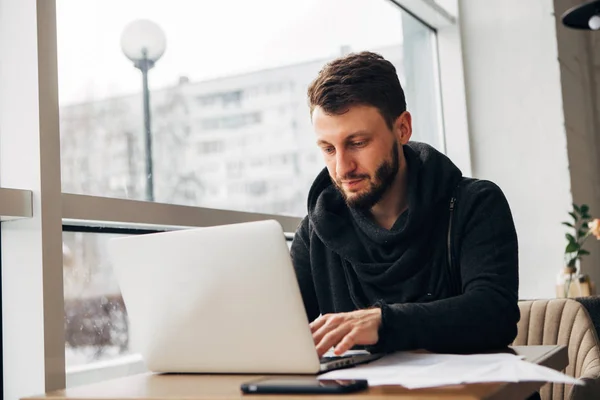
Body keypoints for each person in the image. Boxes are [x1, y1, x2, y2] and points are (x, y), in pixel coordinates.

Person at [290, 51, 520, 359]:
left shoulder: (475, 204)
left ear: (402, 129)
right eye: (328, 149)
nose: (343, 168)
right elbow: (279, 331)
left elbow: (495, 313)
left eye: (357, 143)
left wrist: (384, 322)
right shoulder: (317, 230)